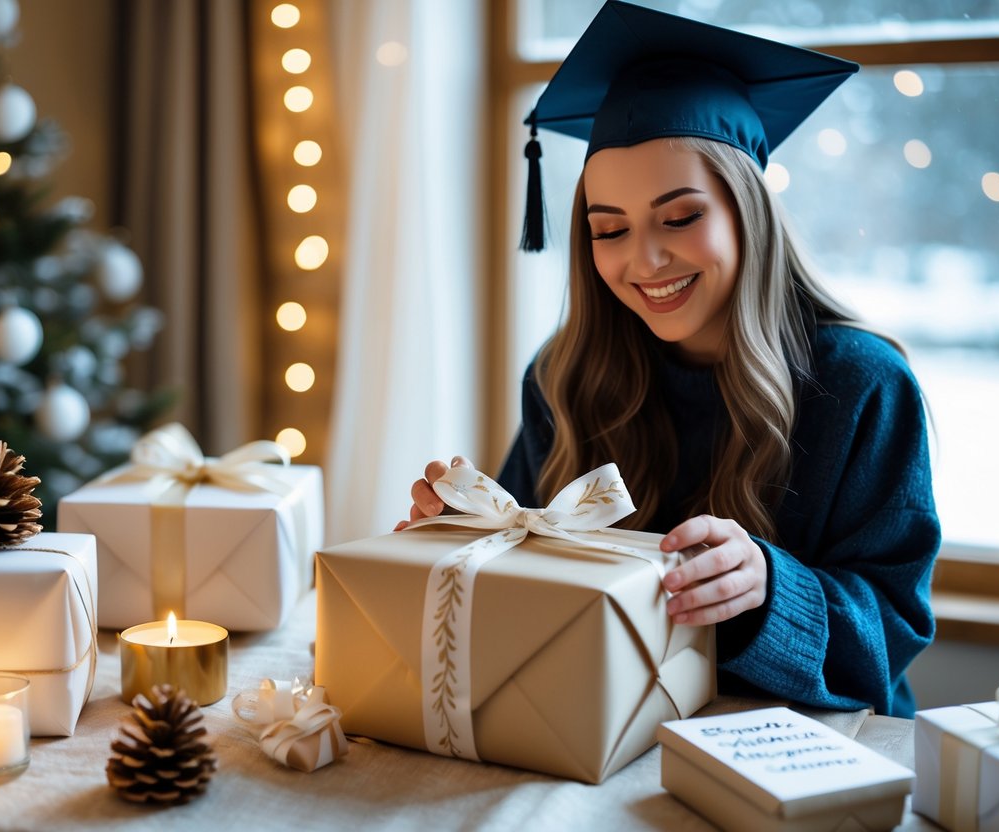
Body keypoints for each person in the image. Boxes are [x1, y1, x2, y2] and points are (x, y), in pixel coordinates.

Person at [398, 1, 939, 719]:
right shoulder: (565, 376)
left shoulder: (860, 383)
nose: (643, 260)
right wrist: (465, 540)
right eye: (608, 229)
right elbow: (530, 574)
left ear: (747, 210)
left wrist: (767, 591)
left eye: (679, 218)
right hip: (611, 731)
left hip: (803, 747)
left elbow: (894, 629)